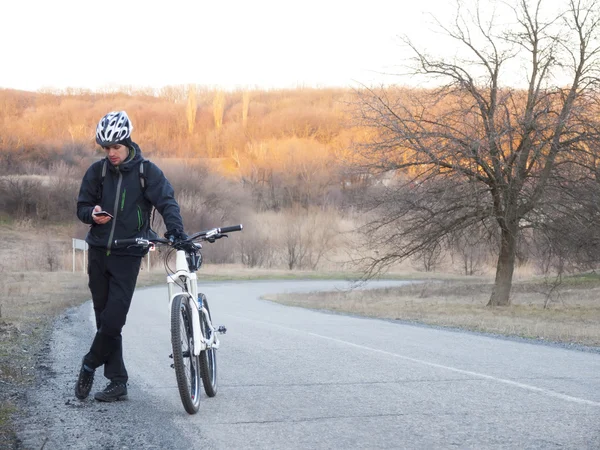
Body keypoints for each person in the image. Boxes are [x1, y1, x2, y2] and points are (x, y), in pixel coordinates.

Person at [75, 111, 187, 402]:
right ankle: (117, 381)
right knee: (103, 319)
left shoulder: (146, 172)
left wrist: (176, 231)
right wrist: (92, 214)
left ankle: (89, 364)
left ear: (128, 144)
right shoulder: (97, 172)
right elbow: (82, 206)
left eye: (116, 147)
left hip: (129, 253)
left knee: (114, 319)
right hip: (99, 252)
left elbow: (167, 201)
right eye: (106, 148)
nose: (111, 153)